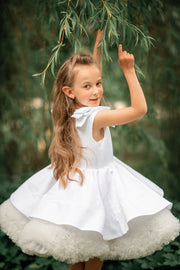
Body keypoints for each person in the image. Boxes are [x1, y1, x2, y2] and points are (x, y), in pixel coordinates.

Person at [0, 30, 179, 270]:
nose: (96, 91)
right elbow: (139, 109)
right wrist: (128, 70)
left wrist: (97, 47)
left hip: (79, 186)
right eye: (88, 86)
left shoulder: (72, 111)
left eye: (99, 83)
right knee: (94, 254)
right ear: (70, 91)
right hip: (97, 191)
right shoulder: (97, 117)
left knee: (82, 257)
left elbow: (88, 78)